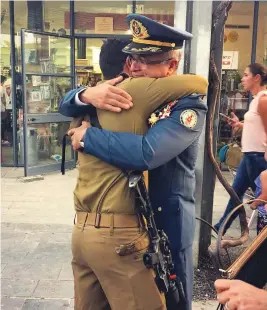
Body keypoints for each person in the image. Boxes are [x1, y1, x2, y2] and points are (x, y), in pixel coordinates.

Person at [60, 15, 208, 310]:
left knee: (173, 300)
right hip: (126, 227)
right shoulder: (121, 94)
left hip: (165, 220)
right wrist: (86, 94)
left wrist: (88, 138)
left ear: (172, 65)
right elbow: (66, 103)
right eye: (134, 58)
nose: (137, 66)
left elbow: (148, 153)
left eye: (149, 59)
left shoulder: (187, 104)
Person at [214, 63, 267, 232]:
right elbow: (257, 126)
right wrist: (239, 124)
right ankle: (220, 228)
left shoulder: (263, 100)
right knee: (235, 193)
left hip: (259, 157)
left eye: (246, 75)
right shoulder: (255, 100)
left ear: (257, 78)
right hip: (249, 156)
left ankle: (261, 238)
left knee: (261, 200)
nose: (242, 79)